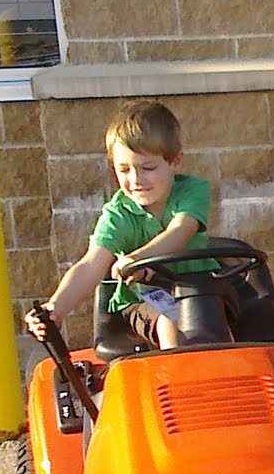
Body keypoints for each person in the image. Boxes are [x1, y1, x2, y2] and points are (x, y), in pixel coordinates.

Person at [25, 99, 215, 350]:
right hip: (144, 299)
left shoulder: (193, 191)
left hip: (200, 287)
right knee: (172, 321)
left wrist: (137, 258)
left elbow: (180, 231)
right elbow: (91, 264)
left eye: (147, 168)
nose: (136, 180)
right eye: (124, 169)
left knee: (213, 322)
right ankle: (177, 383)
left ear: (175, 161)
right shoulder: (118, 215)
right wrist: (55, 307)